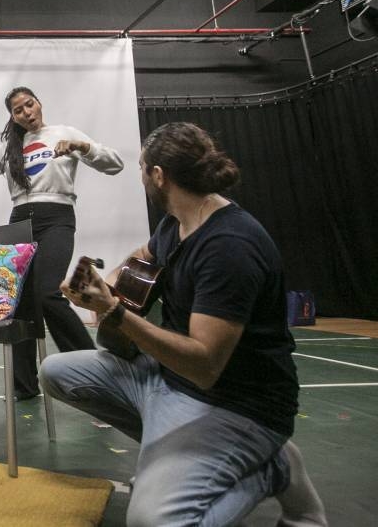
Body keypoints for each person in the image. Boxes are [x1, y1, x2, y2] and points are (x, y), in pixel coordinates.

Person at [41, 122, 326, 527]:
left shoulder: (230, 247)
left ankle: (269, 467)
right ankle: (173, 454)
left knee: (154, 522)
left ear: (158, 175)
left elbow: (205, 366)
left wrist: (115, 312)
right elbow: (144, 255)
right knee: (57, 373)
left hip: (233, 403)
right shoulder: (176, 223)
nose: (141, 177)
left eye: (142, 169)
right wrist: (108, 283)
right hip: (165, 378)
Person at [0, 86, 123, 399]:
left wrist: (82, 146)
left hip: (56, 217)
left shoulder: (63, 133)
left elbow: (114, 163)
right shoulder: (10, 147)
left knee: (48, 293)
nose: (26, 112)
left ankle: (96, 372)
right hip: (20, 221)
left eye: (29, 104)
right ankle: (24, 386)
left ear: (39, 103)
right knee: (20, 303)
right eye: (18, 110)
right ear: (13, 117)